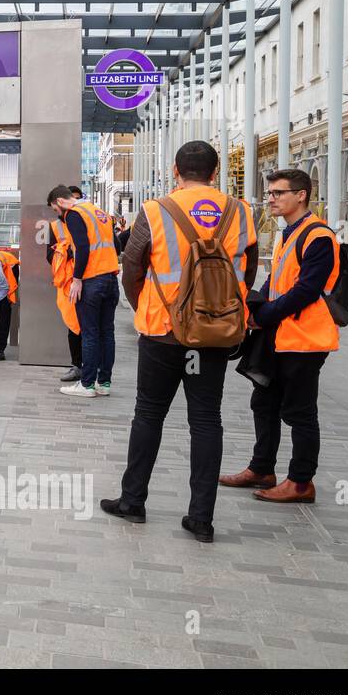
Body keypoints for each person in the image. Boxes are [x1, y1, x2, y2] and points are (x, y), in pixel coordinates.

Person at [100, 140, 258, 543]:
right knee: (206, 420)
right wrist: (219, 312)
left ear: (175, 170)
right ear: (216, 170)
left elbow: (131, 267)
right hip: (213, 335)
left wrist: (147, 307)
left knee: (149, 413)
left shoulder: (156, 210)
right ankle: (201, 518)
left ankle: (132, 501)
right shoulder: (240, 211)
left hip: (163, 333)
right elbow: (249, 270)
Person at [220, 168, 338, 505]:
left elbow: (307, 290)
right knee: (264, 402)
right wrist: (256, 309)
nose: (271, 198)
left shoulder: (318, 236)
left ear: (301, 195)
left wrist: (267, 314)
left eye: (278, 193)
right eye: (270, 193)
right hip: (282, 336)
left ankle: (301, 482)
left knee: (299, 411)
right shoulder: (289, 233)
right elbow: (278, 281)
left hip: (305, 339)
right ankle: (262, 468)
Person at [48, 186, 119, 398]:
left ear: (60, 201)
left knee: (89, 333)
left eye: (55, 209)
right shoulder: (98, 212)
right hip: (110, 279)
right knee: (107, 333)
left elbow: (83, 246)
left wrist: (77, 279)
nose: (58, 214)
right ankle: (104, 383)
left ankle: (86, 384)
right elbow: (116, 244)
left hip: (91, 280)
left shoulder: (74, 214)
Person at [46, 191, 83, 383]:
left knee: (90, 328)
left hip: (87, 279)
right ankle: (77, 365)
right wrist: (65, 252)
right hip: (68, 282)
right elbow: (49, 255)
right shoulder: (55, 226)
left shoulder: (86, 217)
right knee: (73, 325)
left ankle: (92, 368)